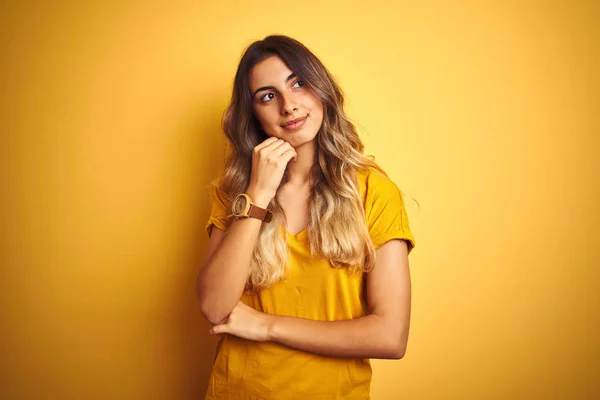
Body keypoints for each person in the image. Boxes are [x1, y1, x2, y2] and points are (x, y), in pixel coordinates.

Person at [197, 34, 416, 400]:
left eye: (298, 83)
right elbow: (215, 307)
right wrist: (259, 193)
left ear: (321, 89)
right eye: (267, 96)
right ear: (253, 115)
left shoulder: (374, 192)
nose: (288, 105)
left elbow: (390, 336)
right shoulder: (235, 191)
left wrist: (267, 326)